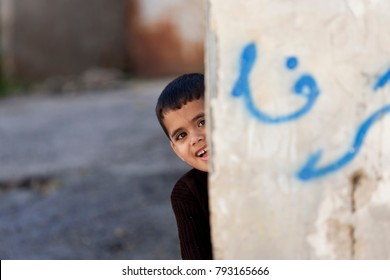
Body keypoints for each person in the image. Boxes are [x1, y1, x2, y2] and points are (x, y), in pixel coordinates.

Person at [155, 73, 212, 260]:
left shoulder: (259, 167)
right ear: (176, 150)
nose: (195, 138)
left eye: (202, 122)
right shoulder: (187, 194)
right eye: (181, 135)